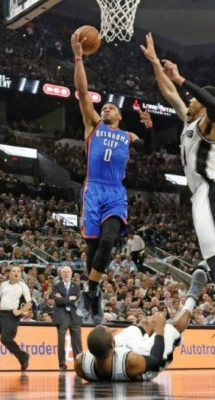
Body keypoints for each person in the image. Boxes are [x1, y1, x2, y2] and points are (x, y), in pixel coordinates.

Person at [140, 33, 215, 369]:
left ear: (202, 104)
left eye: (193, 98)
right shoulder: (189, 123)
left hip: (212, 192)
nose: (187, 100)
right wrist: (154, 63)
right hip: (199, 198)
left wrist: (182, 77)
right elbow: (170, 93)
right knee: (213, 261)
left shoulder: (211, 126)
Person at [71, 30, 154, 324]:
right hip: (93, 190)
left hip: (115, 192)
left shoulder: (128, 136)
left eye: (110, 107)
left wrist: (149, 127)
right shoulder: (93, 125)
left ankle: (91, 290)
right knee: (93, 249)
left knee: (108, 242)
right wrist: (79, 57)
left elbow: (150, 149)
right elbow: (82, 92)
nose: (105, 108)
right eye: (103, 106)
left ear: (119, 116)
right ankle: (92, 294)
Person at [74, 269, 207, 381]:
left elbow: (101, 350)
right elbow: (155, 360)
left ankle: (153, 326)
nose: (112, 331)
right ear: (111, 345)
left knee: (143, 323)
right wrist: (159, 331)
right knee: (171, 327)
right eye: (111, 333)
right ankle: (193, 295)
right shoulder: (131, 363)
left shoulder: (80, 362)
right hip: (146, 360)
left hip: (117, 353)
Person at [52, 265, 83, 372]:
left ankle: (78, 364)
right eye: (64, 272)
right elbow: (57, 301)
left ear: (71, 273)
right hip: (62, 317)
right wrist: (70, 298)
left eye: (68, 272)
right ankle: (62, 365)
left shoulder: (77, 286)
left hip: (74, 317)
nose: (66, 274)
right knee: (61, 342)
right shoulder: (57, 286)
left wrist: (63, 298)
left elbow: (78, 300)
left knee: (77, 342)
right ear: (61, 274)